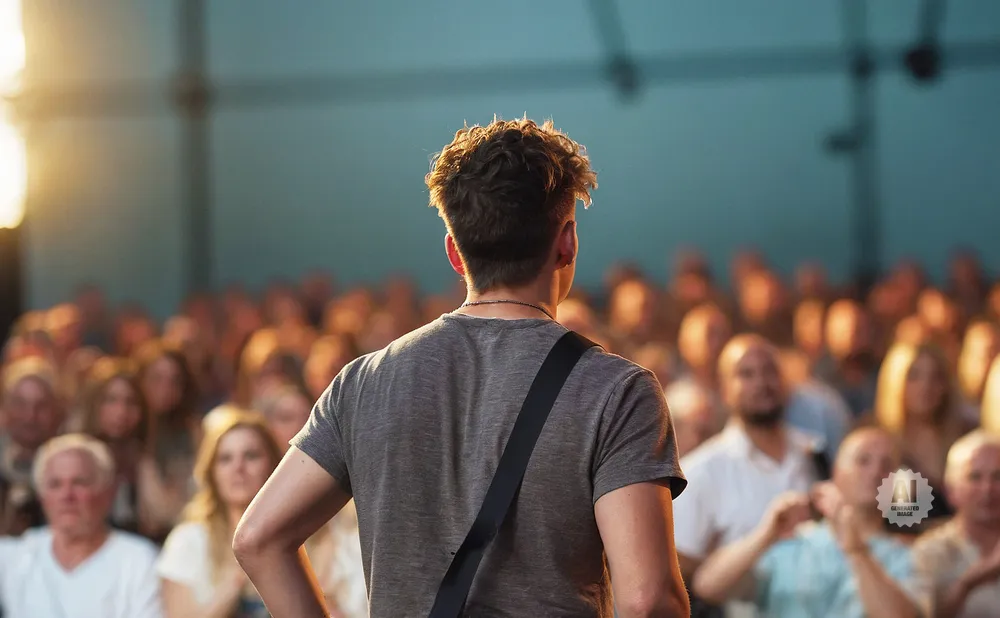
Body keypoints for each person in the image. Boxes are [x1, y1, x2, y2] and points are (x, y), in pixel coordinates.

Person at [233, 117, 689, 618]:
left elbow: (259, 538)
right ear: (567, 243)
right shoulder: (616, 390)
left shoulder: (363, 383)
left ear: (455, 252)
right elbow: (649, 601)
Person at [692, 427, 923, 618]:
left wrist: (856, 551)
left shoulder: (907, 556)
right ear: (836, 472)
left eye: (886, 465)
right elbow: (708, 587)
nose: (875, 472)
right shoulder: (792, 543)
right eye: (863, 461)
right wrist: (764, 535)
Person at [0, 434, 162, 618]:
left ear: (108, 491)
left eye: (80, 483)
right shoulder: (17, 557)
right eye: (55, 485)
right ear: (42, 497)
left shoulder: (139, 560)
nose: (67, 495)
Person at [911, 430, 1000, 617]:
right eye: (975, 477)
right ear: (951, 490)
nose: (988, 489)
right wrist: (970, 582)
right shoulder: (930, 552)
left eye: (997, 477)